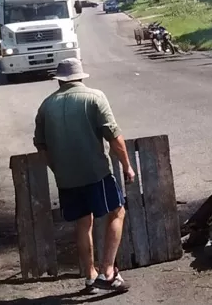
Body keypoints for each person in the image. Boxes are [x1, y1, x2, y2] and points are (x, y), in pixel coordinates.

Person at [34, 59, 134, 294]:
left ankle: (90, 277)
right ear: (81, 77)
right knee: (118, 211)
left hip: (67, 177)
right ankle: (108, 271)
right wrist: (127, 165)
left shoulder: (46, 106)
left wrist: (56, 168)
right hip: (96, 172)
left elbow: (41, 145)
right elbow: (114, 137)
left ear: (59, 80)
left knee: (83, 222)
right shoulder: (94, 97)